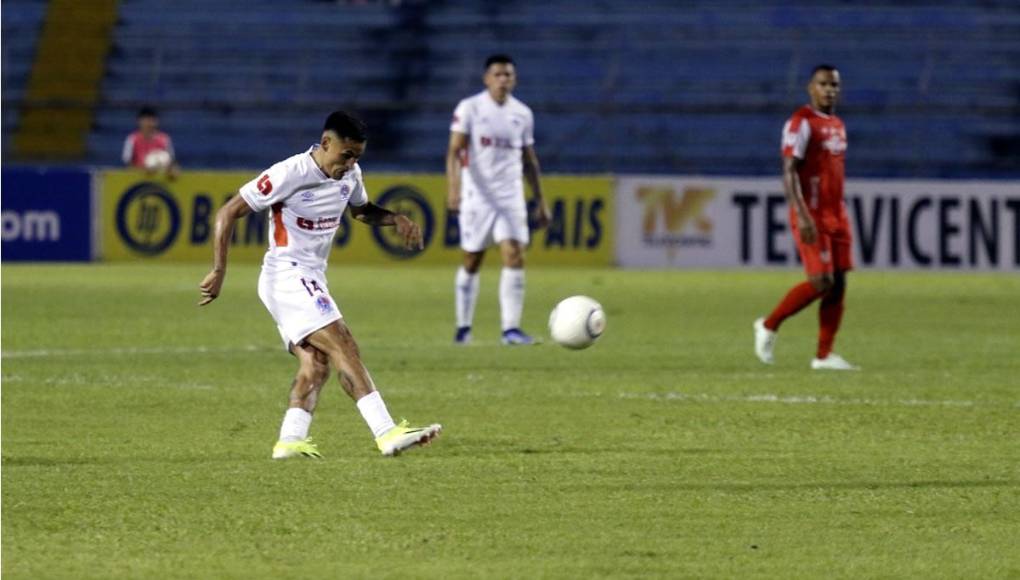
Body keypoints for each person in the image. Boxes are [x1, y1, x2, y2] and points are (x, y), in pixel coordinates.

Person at [198, 110, 442, 458]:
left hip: (310, 275)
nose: (351, 162)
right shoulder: (289, 172)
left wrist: (395, 218)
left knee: (316, 362)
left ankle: (290, 440)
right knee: (343, 342)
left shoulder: (351, 173)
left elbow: (361, 210)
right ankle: (387, 432)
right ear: (326, 143)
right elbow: (228, 212)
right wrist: (219, 270)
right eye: (346, 154)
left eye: (357, 155)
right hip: (286, 273)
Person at [754, 64, 858, 371]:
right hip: (811, 214)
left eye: (834, 85)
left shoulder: (838, 124)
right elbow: (789, 170)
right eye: (823, 84)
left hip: (836, 213)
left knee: (838, 283)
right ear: (810, 88)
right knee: (820, 281)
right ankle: (769, 325)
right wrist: (801, 213)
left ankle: (824, 356)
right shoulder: (801, 123)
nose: (829, 90)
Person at [446, 54, 551, 345]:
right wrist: (453, 189)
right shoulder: (470, 108)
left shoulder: (522, 114)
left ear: (514, 79)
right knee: (472, 259)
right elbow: (454, 150)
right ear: (486, 78)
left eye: (508, 75)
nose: (503, 79)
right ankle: (464, 327)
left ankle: (511, 329)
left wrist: (540, 200)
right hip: (477, 196)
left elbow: (529, 161)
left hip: (510, 196)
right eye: (498, 74)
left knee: (515, 254)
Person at [122, 106, 179, 178]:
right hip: (139, 180)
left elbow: (172, 162)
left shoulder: (164, 139)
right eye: (147, 120)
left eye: (153, 120)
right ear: (139, 121)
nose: (150, 124)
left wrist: (173, 170)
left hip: (160, 181)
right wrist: (144, 171)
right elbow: (128, 165)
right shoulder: (132, 139)